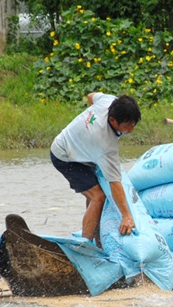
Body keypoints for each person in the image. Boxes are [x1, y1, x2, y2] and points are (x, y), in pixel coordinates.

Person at [50, 92, 141, 245]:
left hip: (82, 152)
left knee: (93, 196)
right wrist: (126, 216)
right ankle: (85, 245)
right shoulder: (106, 144)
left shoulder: (109, 101)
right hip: (64, 156)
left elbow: (91, 96)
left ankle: (98, 241)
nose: (131, 130)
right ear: (112, 120)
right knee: (97, 197)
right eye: (127, 126)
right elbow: (115, 183)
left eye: (133, 124)